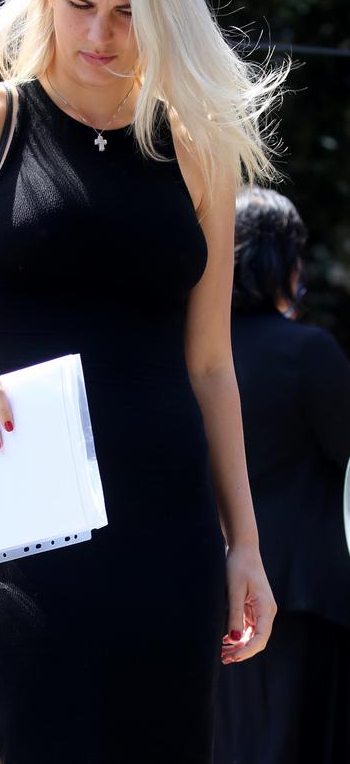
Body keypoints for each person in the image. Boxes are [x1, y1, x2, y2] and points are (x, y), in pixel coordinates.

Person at [0, 0, 287, 760]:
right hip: (19, 519)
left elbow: (211, 366)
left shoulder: (198, 150)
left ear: (165, 16)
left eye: (129, 13)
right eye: (80, 5)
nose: (100, 34)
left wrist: (244, 545)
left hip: (167, 525)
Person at [214, 187, 350, 764]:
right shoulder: (307, 350)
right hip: (302, 594)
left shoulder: (185, 356)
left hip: (213, 588)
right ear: (281, 260)